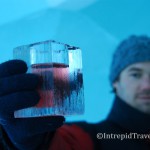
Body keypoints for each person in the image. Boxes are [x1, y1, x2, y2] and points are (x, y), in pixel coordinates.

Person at [1, 35, 150, 150]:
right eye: (135, 74)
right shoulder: (90, 138)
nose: (147, 86)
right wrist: (26, 142)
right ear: (115, 82)